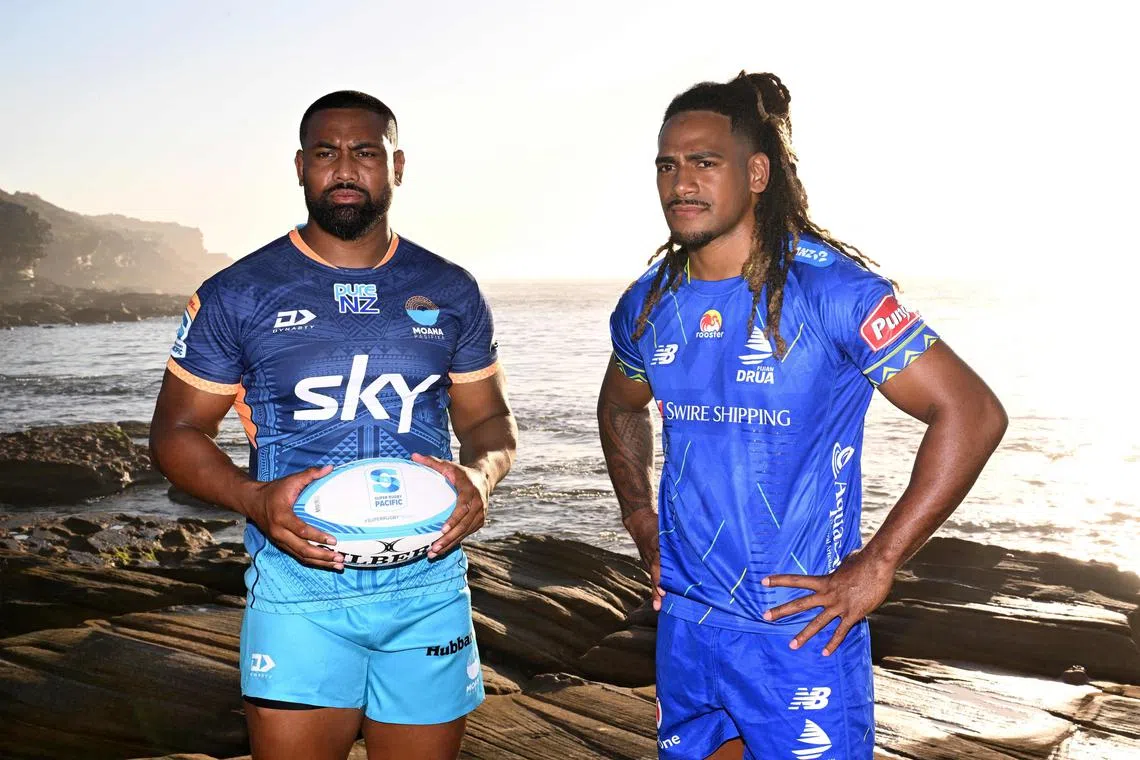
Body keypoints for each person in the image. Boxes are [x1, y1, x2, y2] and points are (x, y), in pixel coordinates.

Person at [597, 72, 1007, 760]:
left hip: (798, 632)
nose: (681, 182)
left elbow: (971, 413)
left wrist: (878, 564)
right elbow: (619, 405)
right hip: (688, 625)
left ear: (756, 173)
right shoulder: (647, 302)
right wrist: (640, 516)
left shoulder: (833, 291)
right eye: (667, 164)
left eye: (705, 162)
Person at [150, 90, 516, 760]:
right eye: (326, 153)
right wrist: (251, 498)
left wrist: (480, 477)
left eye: (365, 152)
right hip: (299, 589)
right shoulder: (240, 293)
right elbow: (175, 431)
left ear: (396, 165)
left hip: (428, 585)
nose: (345, 168)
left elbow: (490, 420)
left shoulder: (452, 290)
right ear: (300, 167)